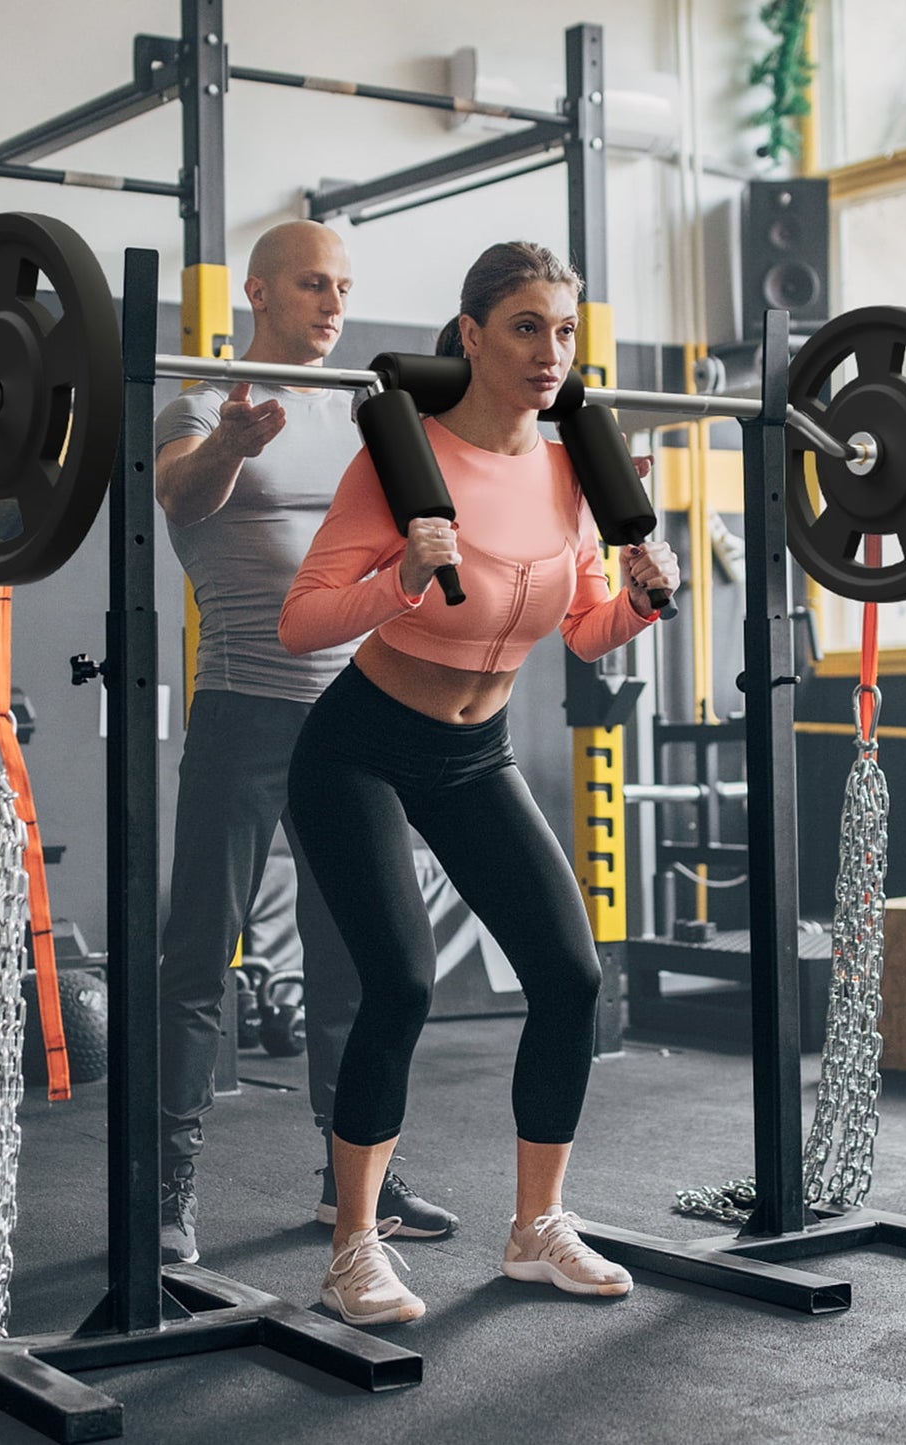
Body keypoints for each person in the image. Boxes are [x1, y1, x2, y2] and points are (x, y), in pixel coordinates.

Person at [279, 240, 681, 1326]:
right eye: (524, 326)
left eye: (563, 330)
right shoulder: (401, 465)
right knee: (399, 983)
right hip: (357, 743)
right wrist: (398, 577)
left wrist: (644, 596)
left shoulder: (571, 478)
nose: (549, 351)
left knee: (568, 973)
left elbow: (588, 631)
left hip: (474, 753)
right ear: (469, 335)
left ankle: (534, 1227)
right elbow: (300, 617)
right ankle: (353, 1245)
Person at [152, 220, 458, 1267]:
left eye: (342, 287)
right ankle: (167, 1187)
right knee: (199, 954)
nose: (333, 303)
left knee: (357, 961)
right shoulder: (197, 403)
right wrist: (234, 447)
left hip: (355, 714)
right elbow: (179, 494)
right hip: (243, 705)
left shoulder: (368, 417)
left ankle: (351, 1179)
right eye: (310, 284)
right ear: (257, 292)